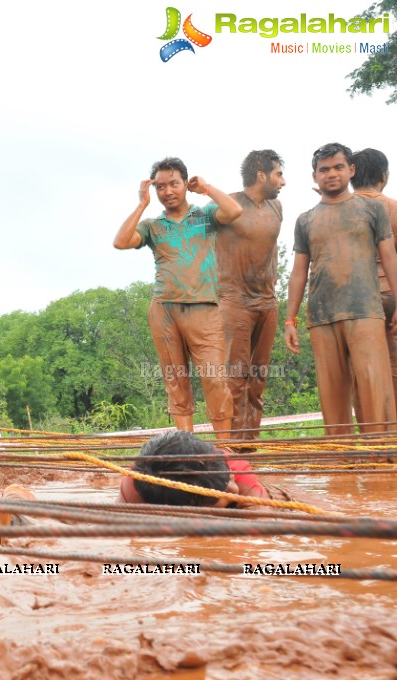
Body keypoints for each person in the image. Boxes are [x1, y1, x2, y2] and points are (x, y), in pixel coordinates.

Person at [113, 158, 243, 438]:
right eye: (160, 186)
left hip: (204, 309)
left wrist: (206, 188)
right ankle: (186, 445)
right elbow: (121, 241)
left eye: (174, 184)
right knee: (175, 380)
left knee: (215, 378)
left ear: (185, 183)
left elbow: (234, 210)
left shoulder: (205, 215)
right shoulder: (152, 226)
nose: (168, 191)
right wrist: (141, 204)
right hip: (164, 310)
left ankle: (225, 450)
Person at [285, 143, 397, 435]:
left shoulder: (372, 209)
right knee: (332, 394)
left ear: (351, 170)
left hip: (366, 311)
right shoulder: (305, 219)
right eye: (324, 170)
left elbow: (389, 257)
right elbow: (299, 272)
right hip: (322, 314)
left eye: (337, 167)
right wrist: (289, 319)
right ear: (314, 176)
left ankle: (382, 455)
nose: (331, 174)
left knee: (376, 386)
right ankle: (342, 460)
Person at [215, 150, 286, 444]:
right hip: (234, 302)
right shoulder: (227, 206)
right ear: (261, 175)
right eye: (279, 174)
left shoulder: (277, 207)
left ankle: (249, 446)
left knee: (258, 379)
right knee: (234, 377)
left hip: (267, 303)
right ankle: (228, 449)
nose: (283, 181)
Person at [350, 148, 397, 421]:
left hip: (353, 301)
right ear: (384, 176)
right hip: (390, 294)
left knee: (360, 373)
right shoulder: (393, 207)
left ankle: (371, 442)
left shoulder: (338, 208)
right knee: (393, 369)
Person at [116, 430, 268, 507]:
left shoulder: (239, 473)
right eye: (227, 490)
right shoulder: (140, 482)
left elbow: (263, 530)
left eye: (229, 481)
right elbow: (116, 529)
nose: (233, 489)